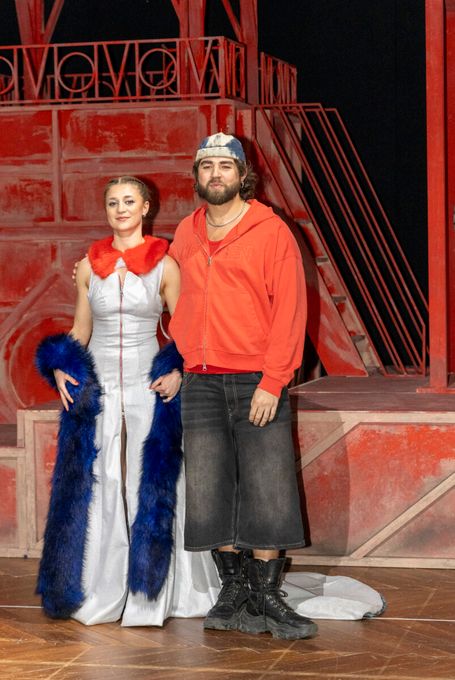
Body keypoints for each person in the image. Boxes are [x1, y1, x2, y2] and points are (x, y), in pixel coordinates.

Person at [35, 176, 219, 626]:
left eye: (129, 201)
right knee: (101, 480)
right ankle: (101, 587)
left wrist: (177, 371)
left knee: (149, 482)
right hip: (97, 390)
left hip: (146, 387)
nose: (121, 209)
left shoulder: (165, 265)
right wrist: (59, 364)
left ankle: (157, 593)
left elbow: (186, 330)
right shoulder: (88, 267)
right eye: (113, 202)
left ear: (145, 208)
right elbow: (82, 329)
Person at [167, 133, 318, 640]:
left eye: (225, 166)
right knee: (210, 488)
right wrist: (179, 361)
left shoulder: (271, 231)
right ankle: (232, 589)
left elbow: (290, 310)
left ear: (242, 174)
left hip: (257, 378)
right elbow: (170, 295)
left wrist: (274, 381)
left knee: (268, 486)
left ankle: (267, 594)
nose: (215, 174)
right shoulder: (186, 232)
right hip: (201, 381)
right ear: (197, 176)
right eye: (206, 165)